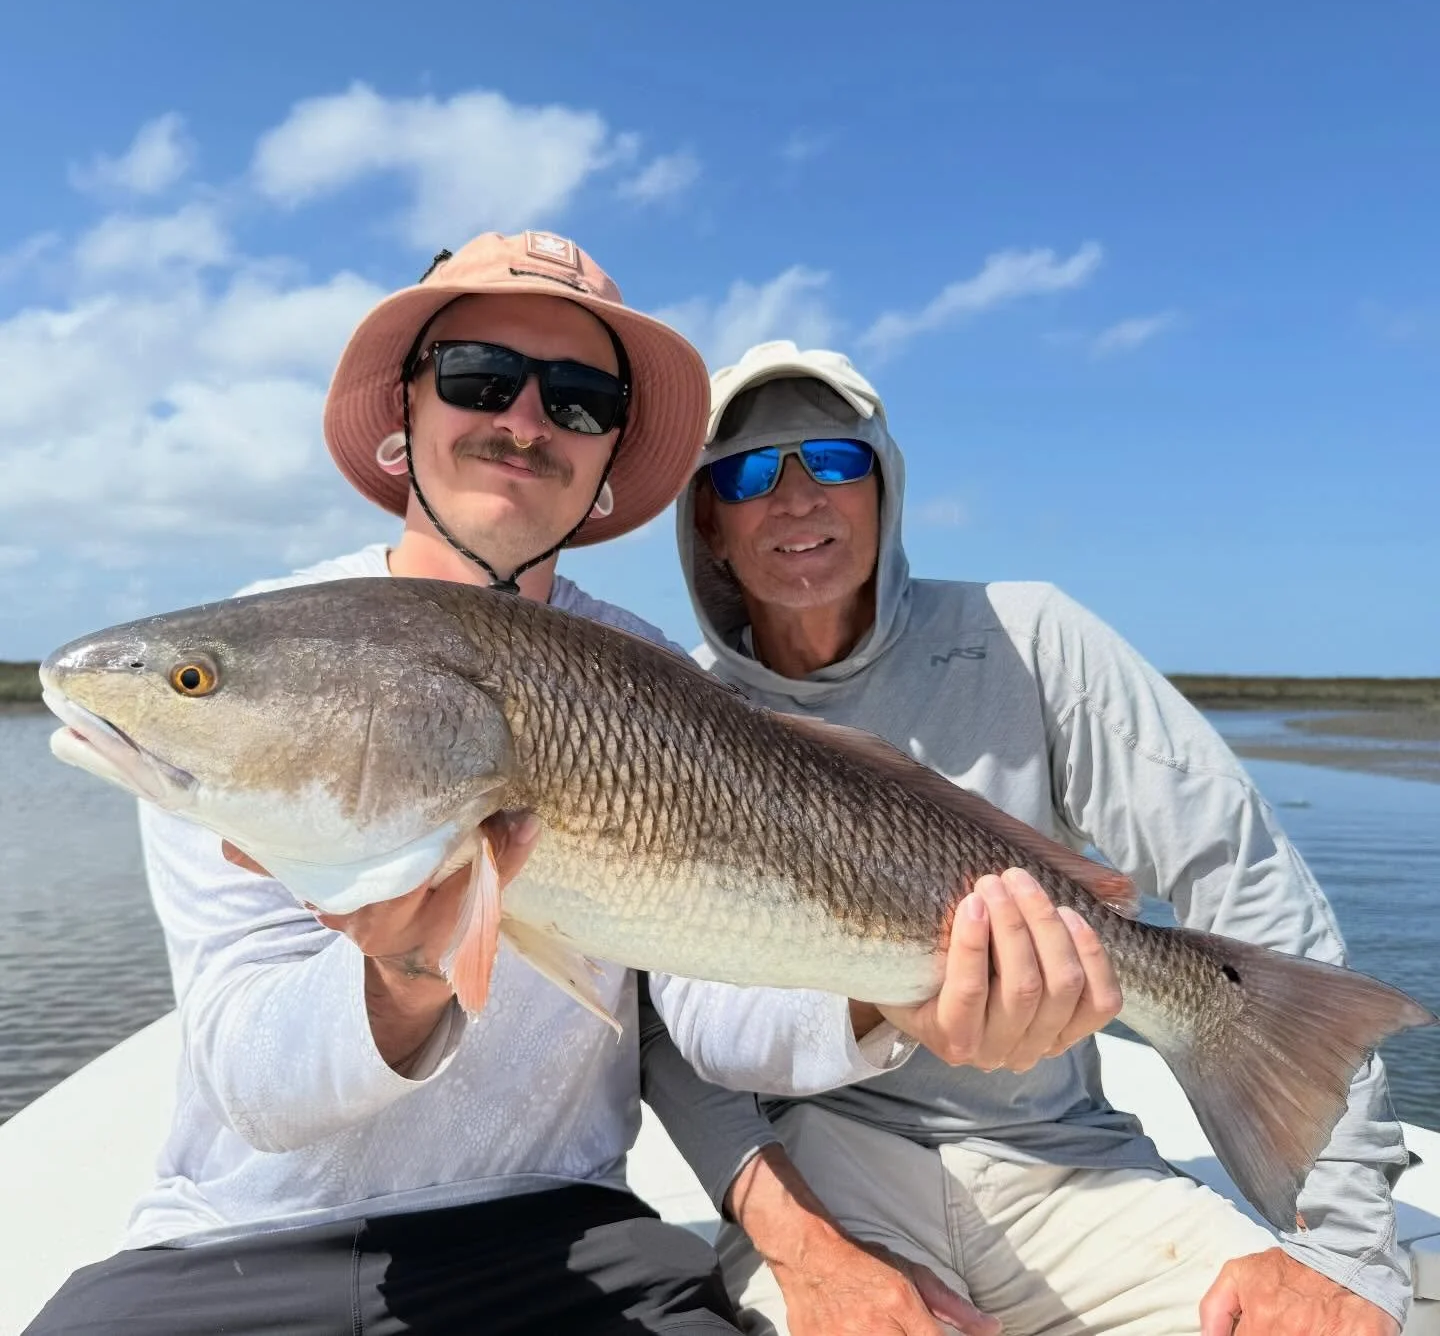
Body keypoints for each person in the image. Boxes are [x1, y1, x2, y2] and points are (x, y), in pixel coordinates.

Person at [25, 236, 1109, 1336]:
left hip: (569, 1238)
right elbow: (257, 1084)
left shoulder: (655, 675)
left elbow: (715, 1012)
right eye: (478, 377)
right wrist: (404, 974)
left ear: (607, 461)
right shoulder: (267, 659)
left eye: (581, 400)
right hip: (237, 1247)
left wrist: (894, 992)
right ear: (404, 414)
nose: (526, 419)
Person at [664, 339, 1416, 1336]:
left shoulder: (1033, 634)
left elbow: (1237, 870)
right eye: (752, 474)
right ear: (707, 521)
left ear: (884, 486)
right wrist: (813, 1250)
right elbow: (664, 1019)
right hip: (830, 1172)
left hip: (1064, 1162)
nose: (798, 498)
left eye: (835, 461)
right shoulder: (670, 709)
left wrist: (1346, 1245)